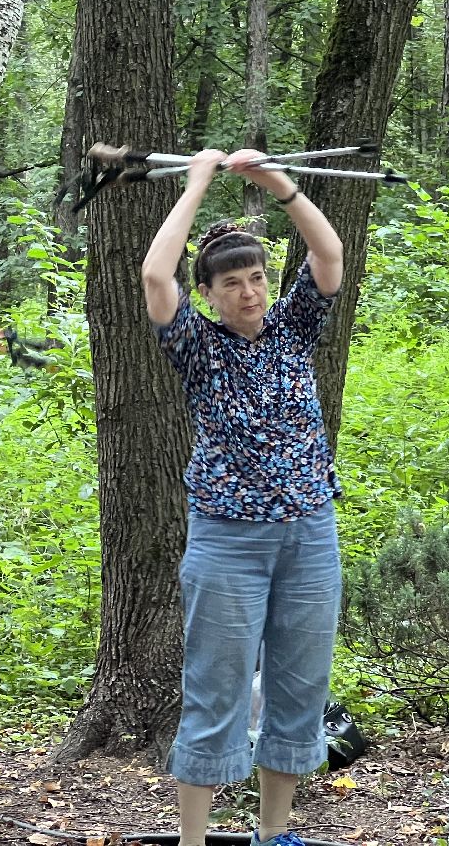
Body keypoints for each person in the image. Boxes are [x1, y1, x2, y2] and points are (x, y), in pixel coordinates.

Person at [141, 149, 345, 846]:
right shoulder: (197, 346)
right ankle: (193, 841)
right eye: (232, 283)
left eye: (257, 277)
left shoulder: (295, 328)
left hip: (310, 534)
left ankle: (276, 834)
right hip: (228, 540)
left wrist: (274, 184)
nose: (250, 291)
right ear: (210, 294)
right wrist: (198, 182)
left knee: (299, 687)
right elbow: (153, 274)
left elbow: (328, 250)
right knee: (217, 690)